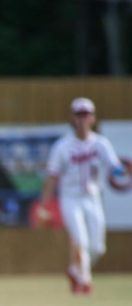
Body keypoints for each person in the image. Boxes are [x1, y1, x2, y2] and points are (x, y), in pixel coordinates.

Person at [38, 97, 127, 295]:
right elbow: (52, 177)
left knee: (97, 247)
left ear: (93, 118)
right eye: (79, 114)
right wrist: (44, 205)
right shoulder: (62, 146)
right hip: (70, 198)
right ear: (72, 118)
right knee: (81, 241)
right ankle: (85, 281)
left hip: (93, 198)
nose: (82, 119)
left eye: (86, 114)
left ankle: (73, 270)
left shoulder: (101, 143)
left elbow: (115, 168)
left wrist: (124, 171)